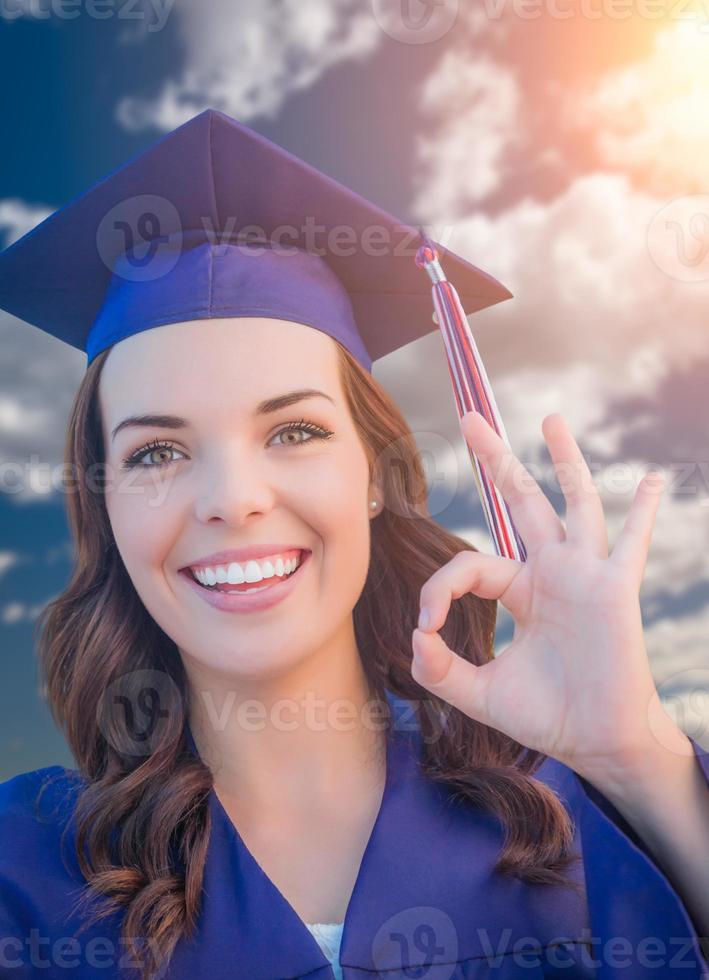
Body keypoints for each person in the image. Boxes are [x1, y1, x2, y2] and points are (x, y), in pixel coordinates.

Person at [0, 108, 707, 980]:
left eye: (293, 431)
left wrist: (633, 754)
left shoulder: (568, 818)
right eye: (157, 451)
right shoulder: (24, 879)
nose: (233, 501)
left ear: (374, 472)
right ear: (105, 505)